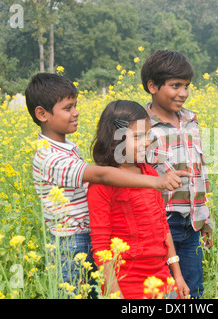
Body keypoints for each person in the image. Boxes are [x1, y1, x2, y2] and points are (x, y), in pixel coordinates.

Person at [25, 73, 188, 290]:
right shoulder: (48, 157)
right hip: (70, 244)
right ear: (42, 113)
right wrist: (156, 182)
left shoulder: (66, 148)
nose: (76, 112)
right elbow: (102, 175)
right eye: (68, 108)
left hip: (89, 239)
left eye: (75, 105)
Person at [87, 100, 190, 299]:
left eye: (148, 134)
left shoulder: (151, 174)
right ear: (114, 139)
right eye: (137, 136)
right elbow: (101, 245)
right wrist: (113, 292)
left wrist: (177, 275)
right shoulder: (101, 184)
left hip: (163, 279)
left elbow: (163, 228)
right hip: (127, 284)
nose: (147, 141)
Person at [141, 50, 214, 298]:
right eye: (175, 86)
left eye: (187, 86)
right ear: (152, 86)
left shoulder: (192, 121)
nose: (183, 93)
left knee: (193, 289)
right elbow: (131, 177)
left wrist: (206, 219)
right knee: (165, 291)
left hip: (192, 222)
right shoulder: (141, 126)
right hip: (161, 222)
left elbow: (201, 175)